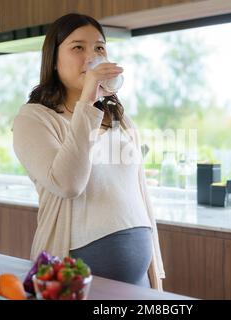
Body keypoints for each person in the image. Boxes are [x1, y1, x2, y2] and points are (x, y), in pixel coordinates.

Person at [12, 13, 165, 290]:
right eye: (77, 47)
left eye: (99, 48)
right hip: (75, 282)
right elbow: (68, 183)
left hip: (138, 281)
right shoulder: (34, 118)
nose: (91, 56)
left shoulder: (115, 114)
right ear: (54, 61)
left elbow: (137, 191)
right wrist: (87, 101)